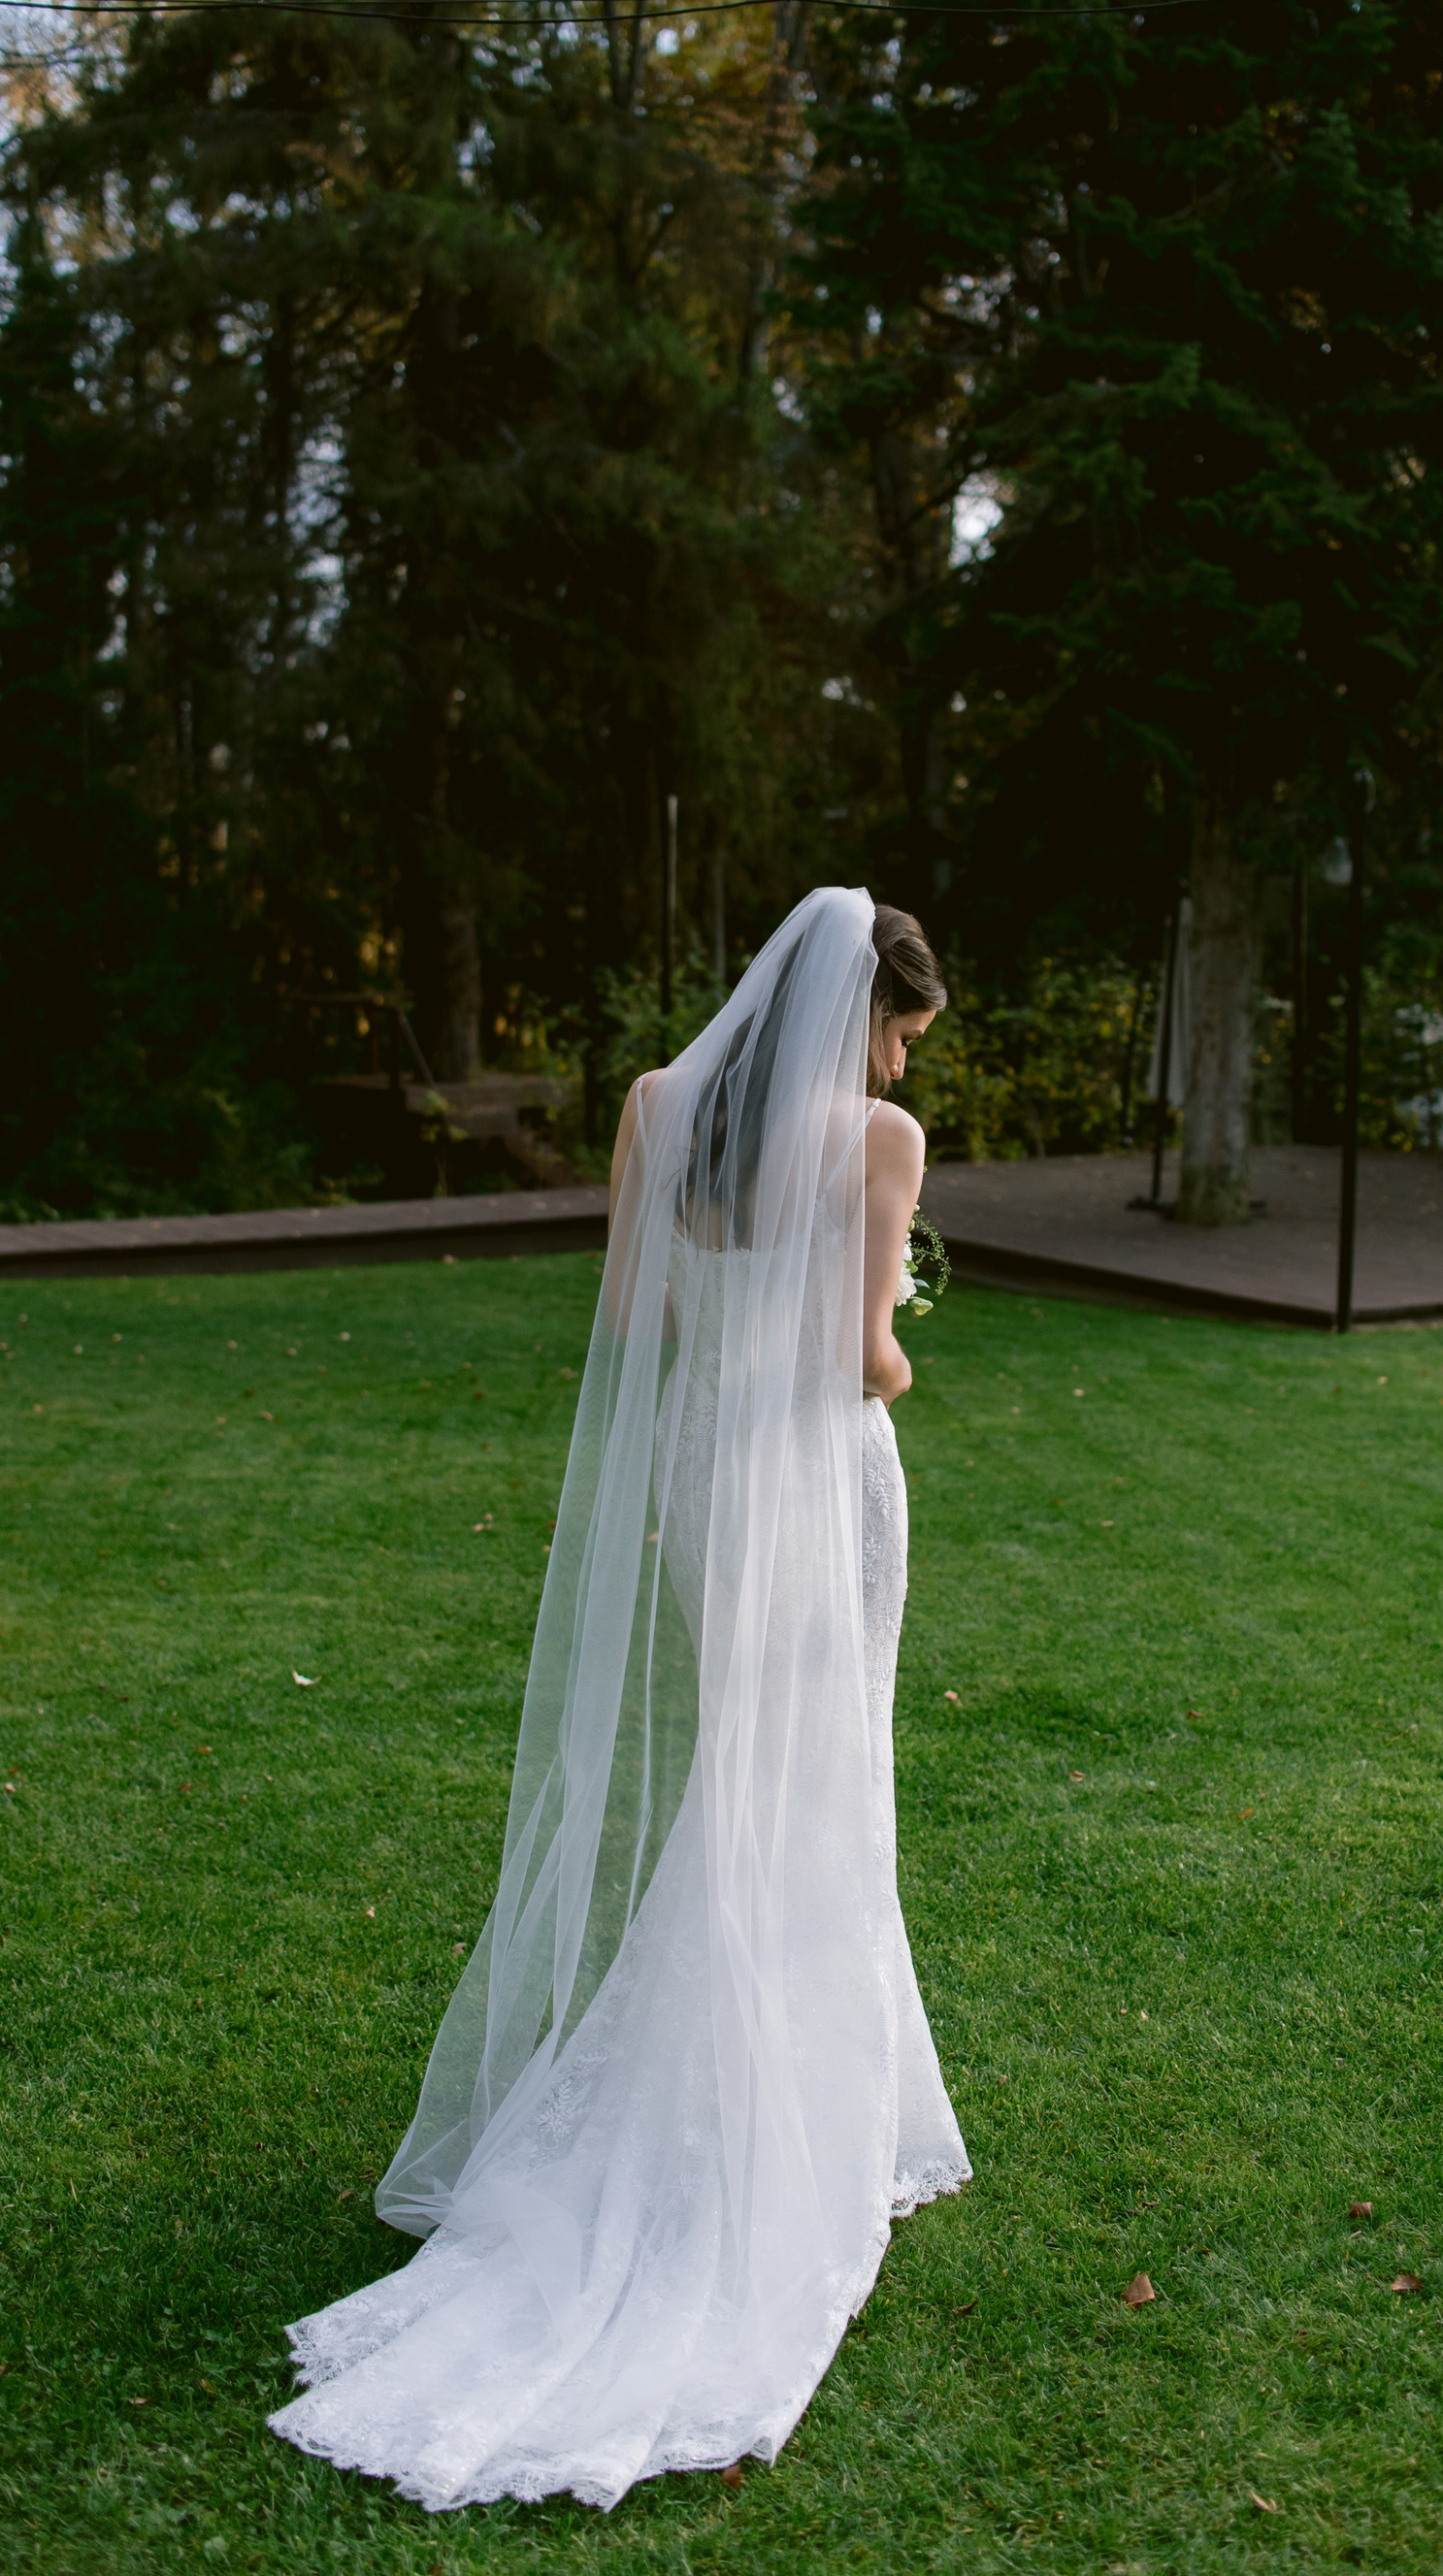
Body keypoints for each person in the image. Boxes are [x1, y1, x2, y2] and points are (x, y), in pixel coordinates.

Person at [268, 888, 968, 2512]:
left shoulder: (660, 1109)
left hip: (709, 1472)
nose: (898, 1063)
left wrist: (748, 1304)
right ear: (865, 1012)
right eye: (902, 1034)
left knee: (747, 1770)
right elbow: (866, 1360)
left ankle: (745, 2071)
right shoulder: (882, 1142)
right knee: (820, 1777)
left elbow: (631, 1317)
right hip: (822, 1476)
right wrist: (903, 1329)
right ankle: (784, 2107)